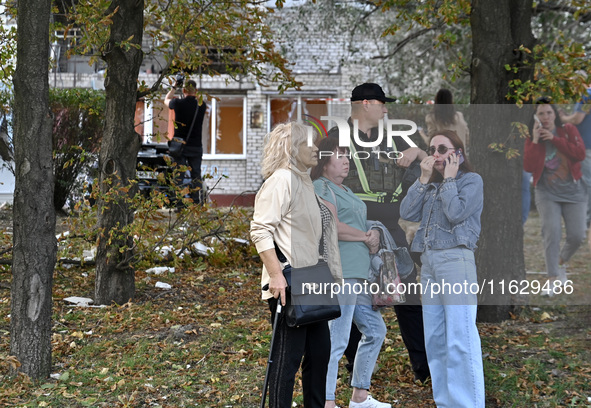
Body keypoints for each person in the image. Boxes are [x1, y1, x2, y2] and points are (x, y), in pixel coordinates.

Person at [328, 83, 430, 383]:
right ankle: (354, 363)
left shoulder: (395, 138)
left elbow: (426, 167)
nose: (387, 110)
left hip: (391, 232)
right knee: (353, 298)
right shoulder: (335, 139)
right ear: (367, 104)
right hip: (353, 231)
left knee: (408, 295)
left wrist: (418, 150)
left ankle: (423, 369)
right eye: (383, 104)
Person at [250, 122, 342, 408]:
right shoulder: (281, 180)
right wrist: (276, 275)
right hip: (290, 282)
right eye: (309, 144)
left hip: (313, 278)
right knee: (287, 359)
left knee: (319, 354)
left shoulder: (303, 180)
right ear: (291, 148)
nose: (316, 148)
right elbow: (260, 230)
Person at [400, 129, 485, 408]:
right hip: (430, 263)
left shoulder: (471, 181)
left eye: (442, 149)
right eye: (432, 149)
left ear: (457, 153)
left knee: (460, 337)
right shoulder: (431, 185)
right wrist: (424, 179)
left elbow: (457, 213)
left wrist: (449, 180)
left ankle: (468, 404)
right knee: (435, 339)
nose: (435, 154)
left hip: (456, 262)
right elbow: (407, 213)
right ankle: (446, 403)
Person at [311, 137, 390, 408]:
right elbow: (332, 227)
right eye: (339, 156)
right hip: (341, 273)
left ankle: (359, 396)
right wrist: (366, 238)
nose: (346, 161)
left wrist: (375, 232)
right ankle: (327, 400)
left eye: (347, 156)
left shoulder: (347, 190)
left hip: (359, 275)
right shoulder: (321, 188)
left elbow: (358, 224)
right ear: (324, 163)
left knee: (376, 329)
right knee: (337, 338)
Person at [524, 99, 587, 295]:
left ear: (555, 114)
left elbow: (579, 154)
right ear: (536, 117)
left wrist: (553, 138)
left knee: (578, 236)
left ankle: (560, 263)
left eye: (549, 113)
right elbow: (528, 166)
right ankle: (552, 278)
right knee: (551, 232)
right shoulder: (532, 137)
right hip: (546, 192)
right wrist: (535, 140)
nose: (546, 117)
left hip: (574, 191)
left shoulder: (568, 129)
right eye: (541, 114)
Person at [164, 77, 207, 204]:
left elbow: (166, 100)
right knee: (196, 175)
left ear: (183, 90)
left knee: (179, 175)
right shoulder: (202, 105)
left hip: (179, 146)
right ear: (196, 90)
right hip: (196, 146)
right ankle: (196, 202)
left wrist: (174, 86)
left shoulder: (178, 104)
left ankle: (178, 202)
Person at [560, 70, 591, 228]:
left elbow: (577, 119)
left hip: (586, 147)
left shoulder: (586, 94)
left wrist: (562, 117)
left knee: (586, 183)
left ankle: (584, 222)